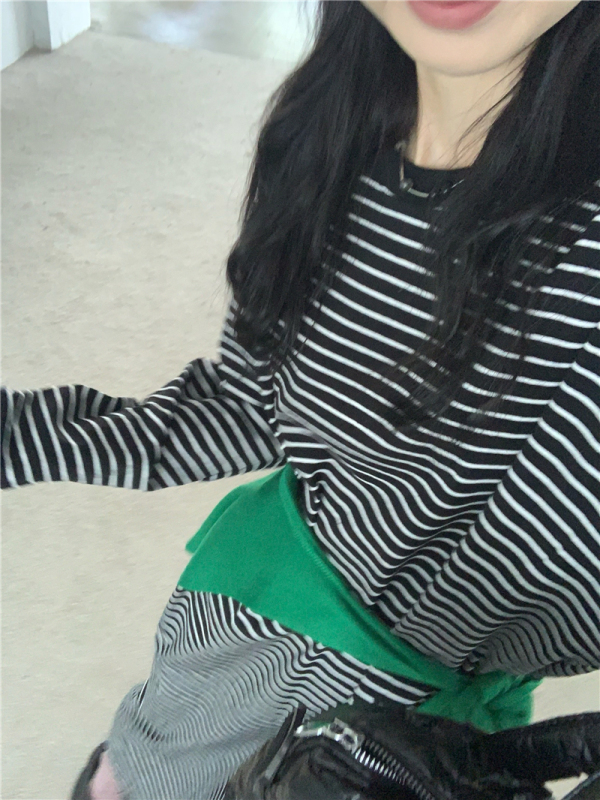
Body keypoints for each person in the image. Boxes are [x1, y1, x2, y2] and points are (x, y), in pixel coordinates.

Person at [2, 1, 599, 798]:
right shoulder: (326, 136)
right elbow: (254, 403)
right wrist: (19, 435)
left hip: (417, 751)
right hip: (229, 652)